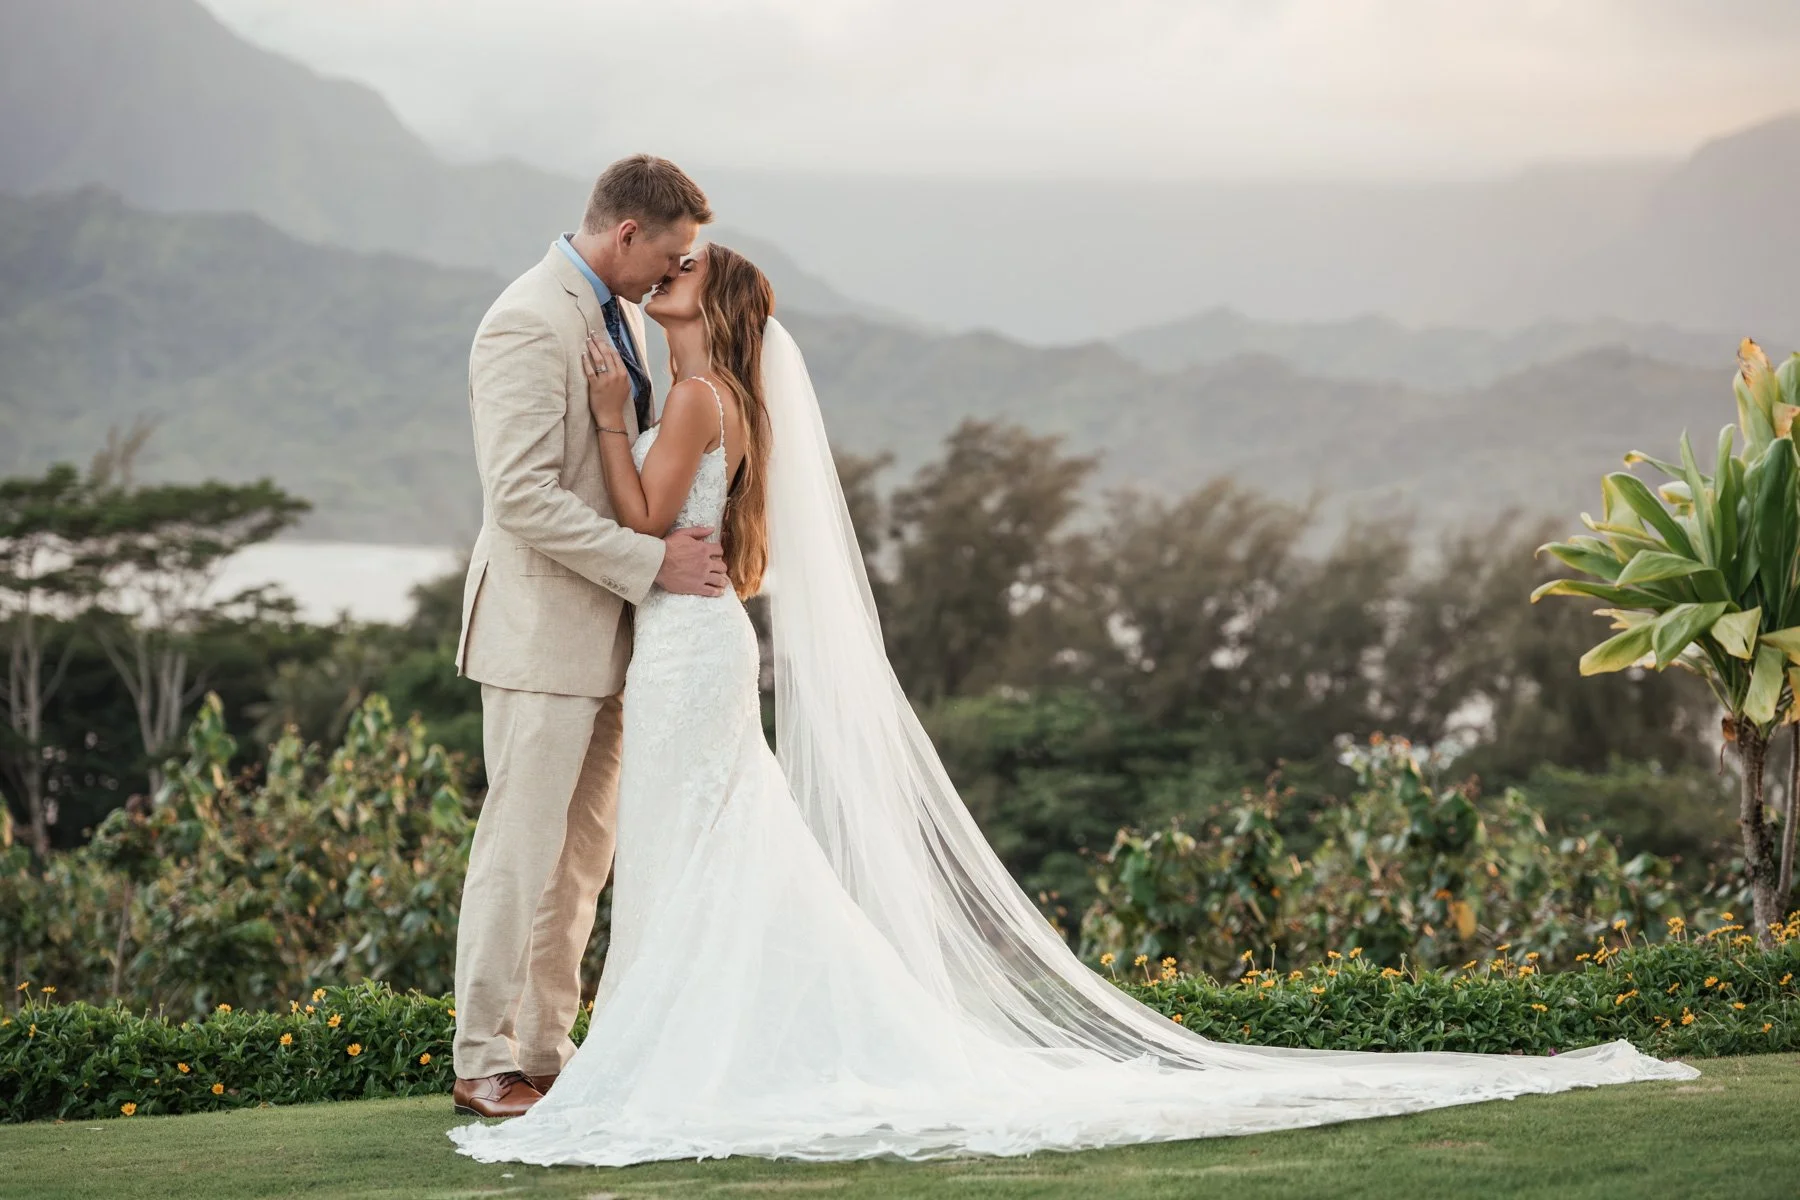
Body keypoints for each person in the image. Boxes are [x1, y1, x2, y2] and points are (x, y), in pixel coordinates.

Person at [448, 239, 1698, 1165]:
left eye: (676, 276)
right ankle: (676, 1041)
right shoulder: (714, 396)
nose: (658, 282)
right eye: (657, 269)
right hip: (684, 643)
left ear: (704, 305)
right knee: (703, 842)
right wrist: (630, 421)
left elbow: (643, 520)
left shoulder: (702, 394)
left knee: (697, 843)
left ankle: (678, 1047)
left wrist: (613, 423)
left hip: (685, 645)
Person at [449, 155, 729, 1119]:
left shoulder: (623, 321)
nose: (673, 269)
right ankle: (481, 1056)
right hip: (539, 635)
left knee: (580, 859)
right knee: (519, 849)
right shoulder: (529, 320)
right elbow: (522, 498)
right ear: (626, 235)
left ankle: (545, 1049)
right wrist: (653, 567)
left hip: (619, 641)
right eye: (672, 252)